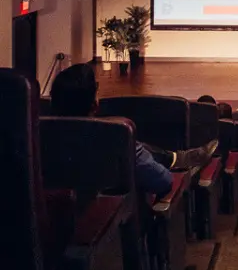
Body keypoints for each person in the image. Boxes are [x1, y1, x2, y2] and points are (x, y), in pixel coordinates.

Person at [46, 63, 215, 195]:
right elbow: (163, 181)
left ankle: (175, 157)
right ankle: (176, 159)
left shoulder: (37, 134)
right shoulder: (114, 136)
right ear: (94, 104)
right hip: (106, 217)